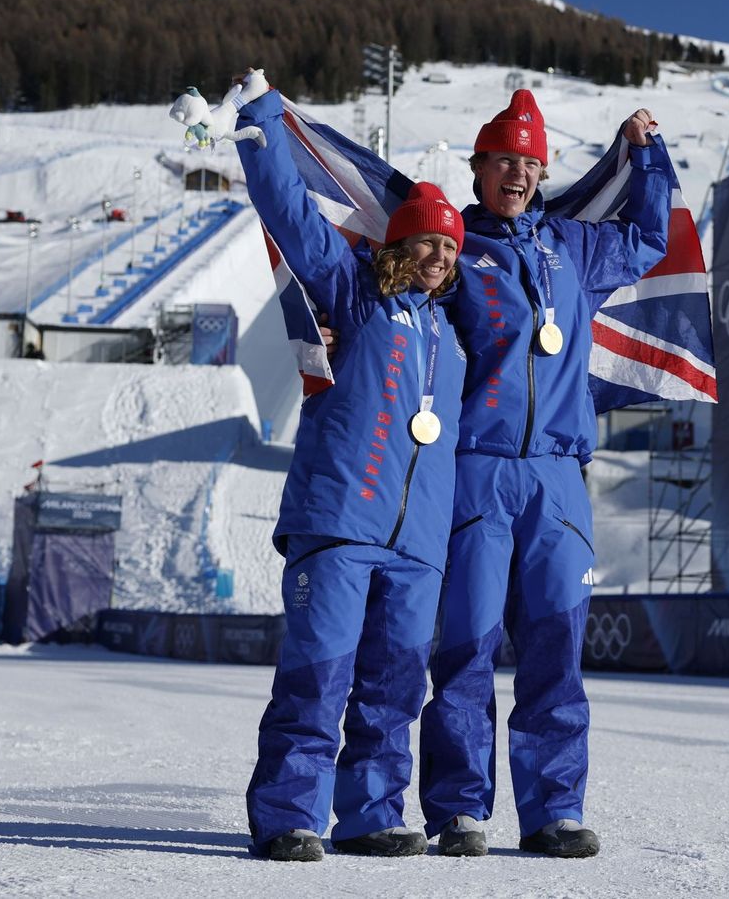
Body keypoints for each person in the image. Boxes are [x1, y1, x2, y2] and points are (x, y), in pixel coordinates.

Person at [419, 89, 671, 857]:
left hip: (560, 478)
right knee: (466, 646)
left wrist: (646, 154)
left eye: (530, 164)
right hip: (478, 470)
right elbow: (396, 283)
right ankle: (459, 808)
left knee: (556, 649)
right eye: (505, 162)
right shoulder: (456, 250)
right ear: (478, 167)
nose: (519, 175)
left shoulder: (576, 245)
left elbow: (651, 237)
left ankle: (554, 808)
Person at [227, 70, 468, 862]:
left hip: (418, 545)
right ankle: (291, 814)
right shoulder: (356, 296)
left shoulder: (454, 342)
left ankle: (370, 813)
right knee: (318, 676)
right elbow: (293, 217)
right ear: (398, 244)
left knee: (394, 687)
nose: (436, 254)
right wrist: (262, 117)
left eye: (447, 245)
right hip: (339, 523)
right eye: (425, 240)